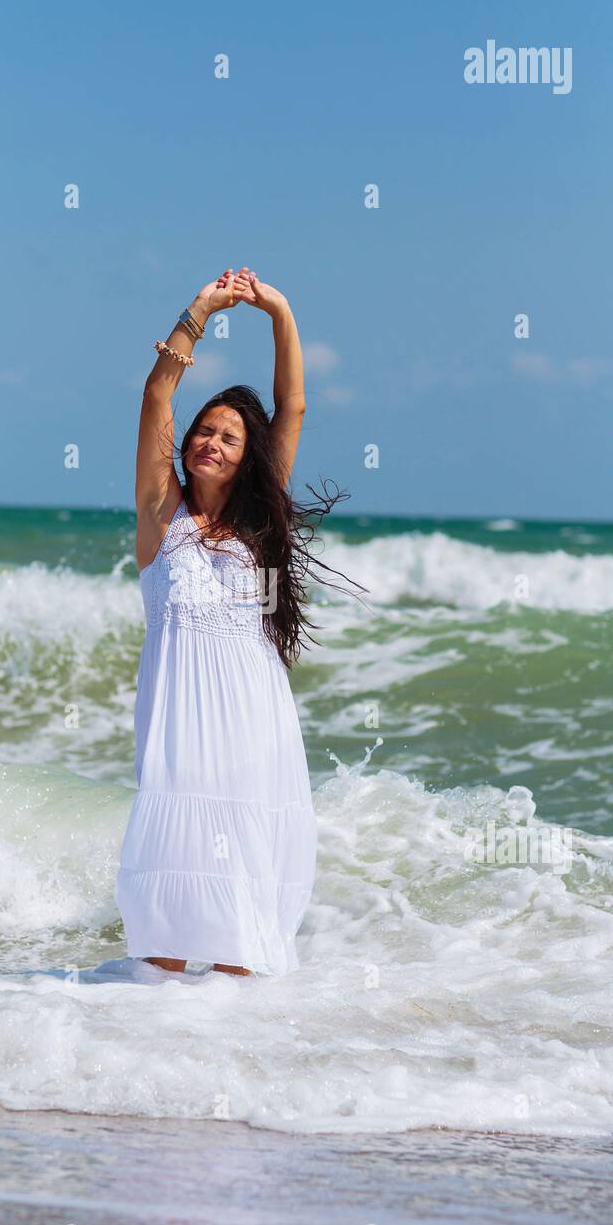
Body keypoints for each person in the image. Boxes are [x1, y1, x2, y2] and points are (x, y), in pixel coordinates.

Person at [115, 267, 362, 978]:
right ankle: (145, 1037)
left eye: (226, 435)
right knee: (171, 878)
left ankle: (233, 1047)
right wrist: (201, 310)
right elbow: (156, 392)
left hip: (257, 723)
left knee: (245, 887)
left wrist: (279, 308)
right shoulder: (162, 514)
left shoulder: (259, 521)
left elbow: (292, 407)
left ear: (247, 453)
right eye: (202, 431)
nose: (210, 442)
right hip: (180, 726)